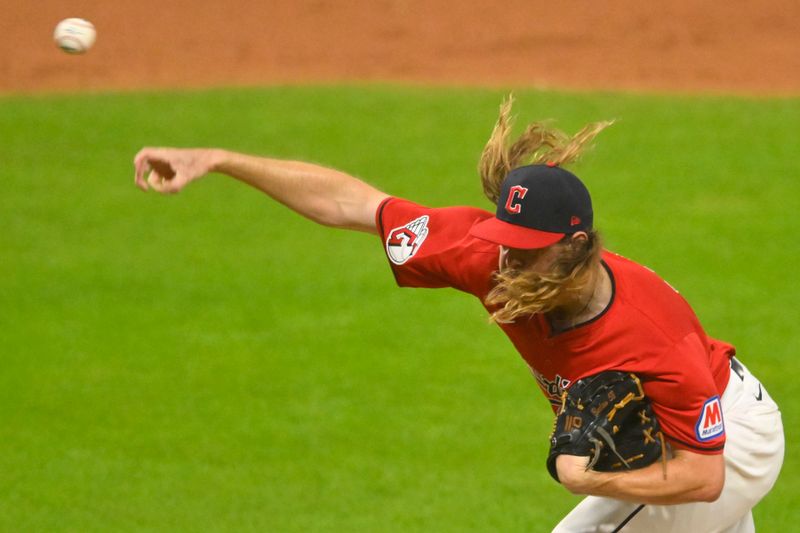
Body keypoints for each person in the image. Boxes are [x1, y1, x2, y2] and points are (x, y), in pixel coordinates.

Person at [133, 96, 784, 532]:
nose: (507, 264)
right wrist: (219, 160)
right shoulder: (484, 253)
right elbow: (355, 204)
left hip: (724, 436)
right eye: (506, 243)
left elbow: (705, 474)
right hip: (693, 437)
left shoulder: (647, 330)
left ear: (578, 247)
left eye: (528, 254)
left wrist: (583, 473)